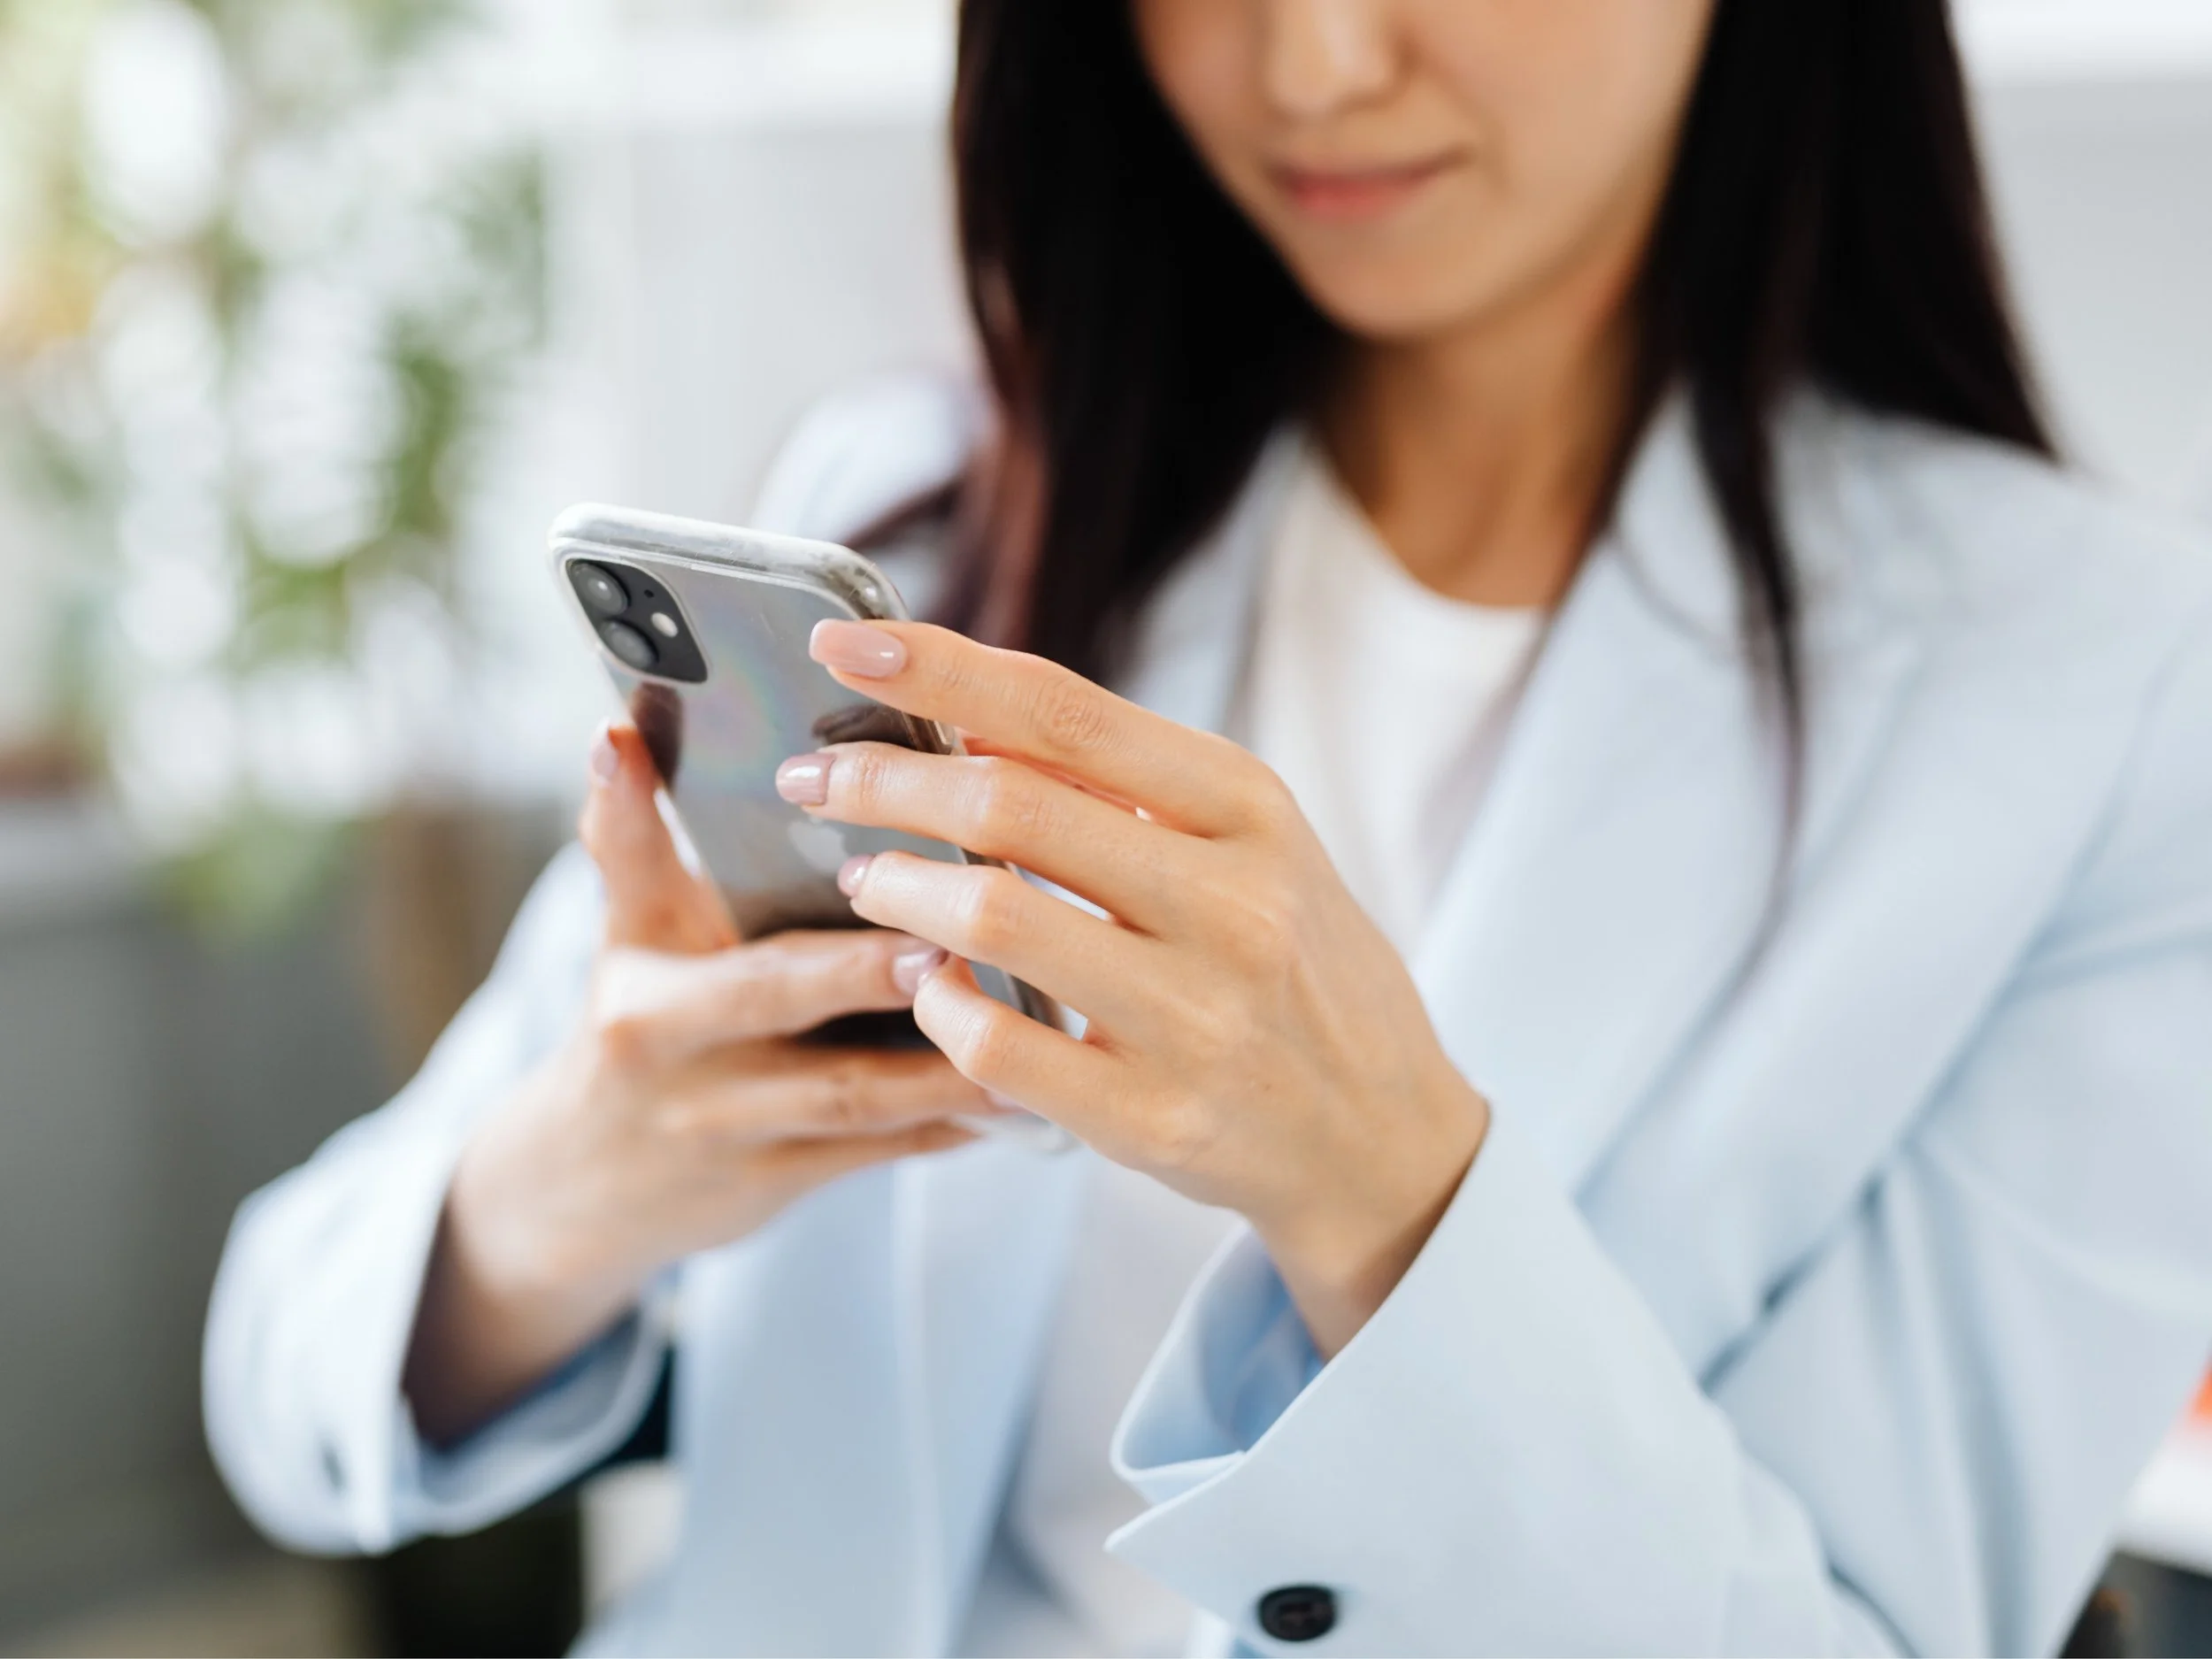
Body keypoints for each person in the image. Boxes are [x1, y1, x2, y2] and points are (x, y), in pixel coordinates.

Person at [205, 1, 2212, 1653]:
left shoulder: (2103, 698)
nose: (1314, 61)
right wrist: (563, 1190)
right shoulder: (922, 522)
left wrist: (1390, 1207)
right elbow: (283, 1380)